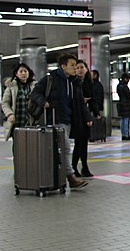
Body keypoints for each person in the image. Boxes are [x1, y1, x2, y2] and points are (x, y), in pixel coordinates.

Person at [30, 53, 91, 189]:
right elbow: (35, 93)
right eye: (72, 65)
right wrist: (43, 102)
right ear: (63, 66)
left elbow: (80, 103)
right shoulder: (50, 79)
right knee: (65, 148)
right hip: (55, 118)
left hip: (70, 119)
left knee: (61, 149)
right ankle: (71, 177)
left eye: (76, 65)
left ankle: (59, 177)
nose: (75, 68)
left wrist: (87, 117)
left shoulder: (74, 82)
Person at [71, 60, 97, 177]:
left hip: (86, 115)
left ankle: (84, 167)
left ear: (86, 69)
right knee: (78, 142)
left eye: (82, 67)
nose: (80, 70)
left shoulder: (89, 83)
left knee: (83, 142)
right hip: (76, 116)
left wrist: (95, 113)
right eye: (77, 68)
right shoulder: (72, 83)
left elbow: (93, 99)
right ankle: (75, 166)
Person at [2, 63, 36, 144]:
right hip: (17, 121)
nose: (23, 73)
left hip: (30, 121)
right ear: (16, 74)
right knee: (18, 144)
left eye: (25, 71)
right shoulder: (11, 86)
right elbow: (5, 103)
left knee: (31, 144)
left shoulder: (34, 86)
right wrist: (9, 114)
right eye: (21, 71)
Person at [116, 73, 130, 140]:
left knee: (123, 120)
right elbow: (128, 96)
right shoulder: (124, 86)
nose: (128, 80)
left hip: (121, 104)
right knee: (127, 120)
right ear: (125, 78)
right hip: (126, 105)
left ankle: (123, 134)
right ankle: (126, 135)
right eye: (128, 79)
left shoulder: (118, 86)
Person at [91, 70, 105, 137]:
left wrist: (97, 107)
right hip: (93, 106)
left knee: (95, 121)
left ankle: (95, 135)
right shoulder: (91, 84)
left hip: (96, 106)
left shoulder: (98, 85)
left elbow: (99, 97)